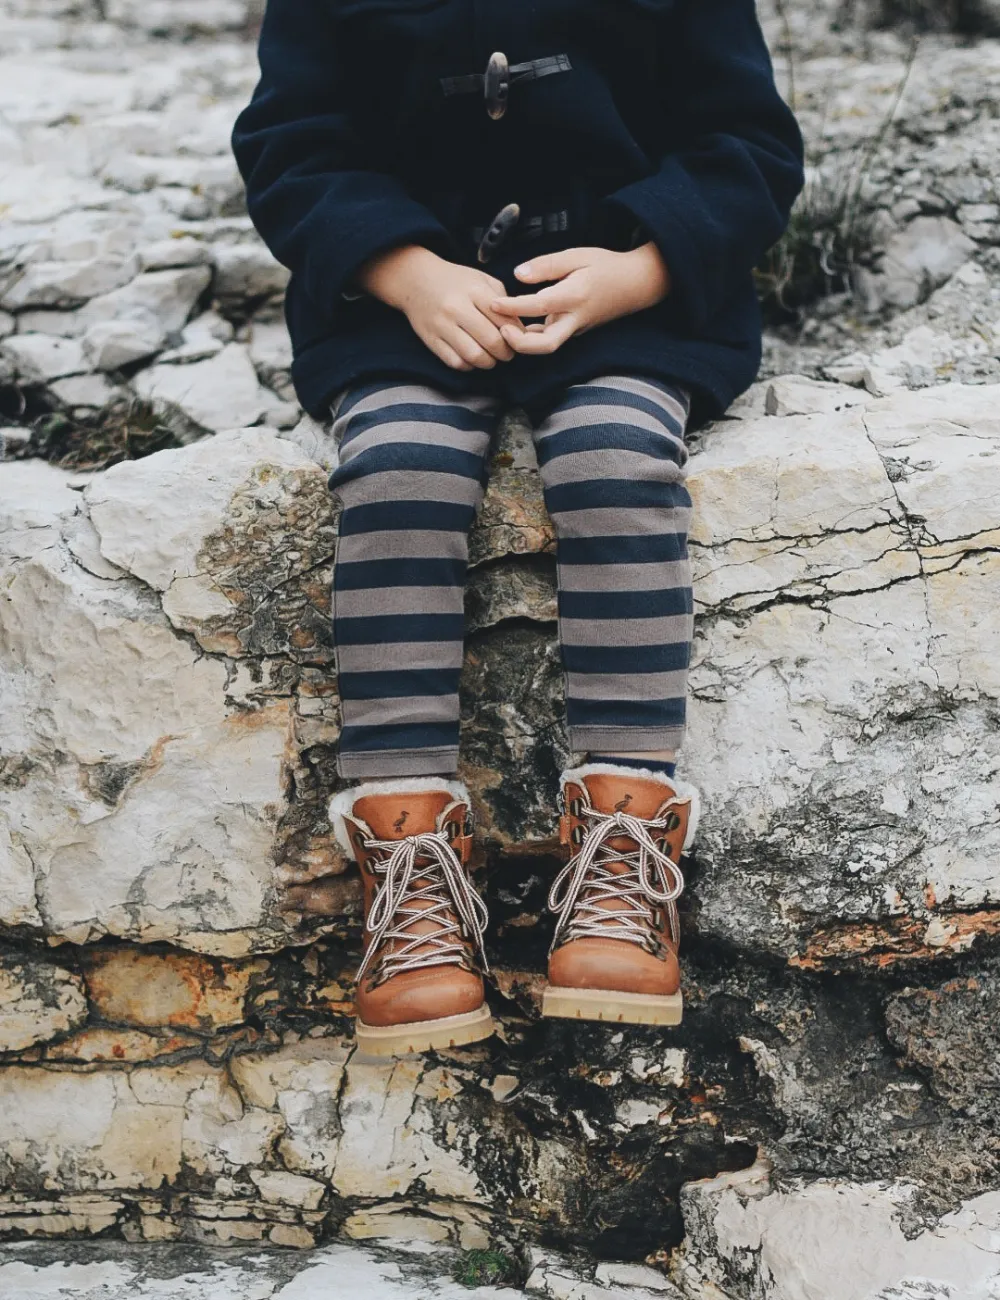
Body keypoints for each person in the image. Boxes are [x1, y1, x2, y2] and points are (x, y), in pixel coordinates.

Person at [232, 0, 804, 1056]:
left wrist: (641, 267)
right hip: (407, 314)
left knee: (616, 461)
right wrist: (404, 273)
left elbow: (748, 145)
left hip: (629, 303)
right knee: (398, 469)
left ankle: (625, 850)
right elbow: (291, 144)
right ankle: (407, 875)